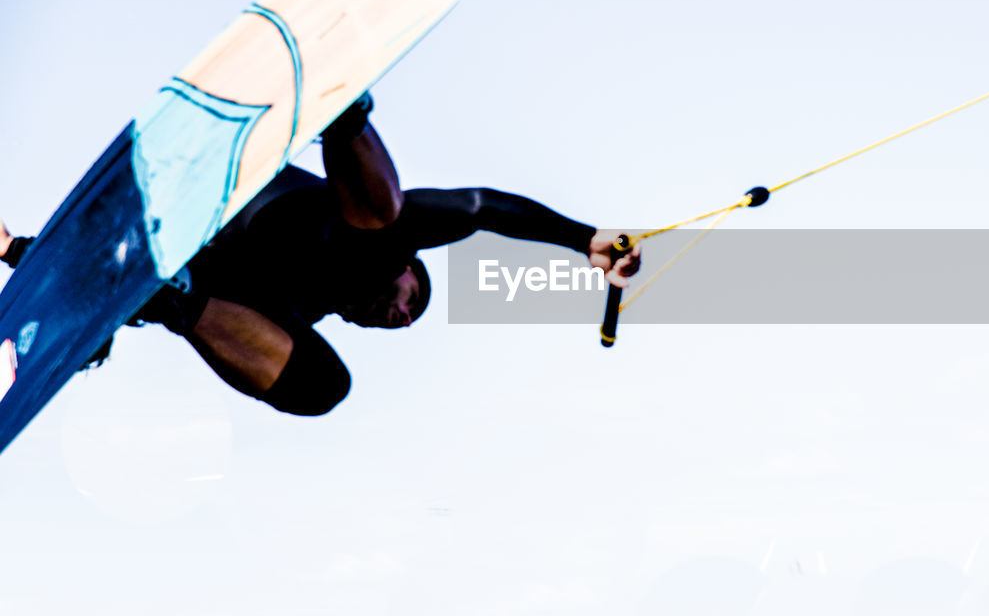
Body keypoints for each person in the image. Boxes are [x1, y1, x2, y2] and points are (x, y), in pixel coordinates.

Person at [0, 94, 640, 415]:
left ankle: (165, 298)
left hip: (177, 268)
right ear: (410, 272)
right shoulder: (380, 242)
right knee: (381, 235)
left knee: (325, 387)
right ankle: (345, 118)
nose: (402, 314)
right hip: (236, 197)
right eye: (411, 297)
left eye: (399, 323)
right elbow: (479, 209)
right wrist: (583, 239)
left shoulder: (292, 319)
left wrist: (14, 254)